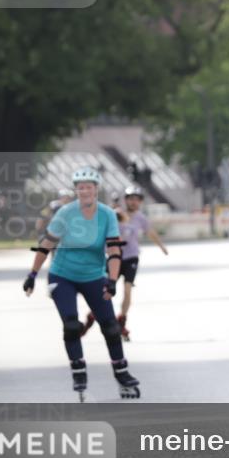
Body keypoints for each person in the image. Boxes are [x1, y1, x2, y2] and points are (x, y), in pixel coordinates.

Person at [22, 167, 140, 400]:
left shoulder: (107, 214)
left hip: (94, 276)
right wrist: (32, 275)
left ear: (96, 189)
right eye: (80, 187)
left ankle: (121, 372)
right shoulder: (65, 213)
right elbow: (47, 243)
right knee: (71, 325)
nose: (84, 191)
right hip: (62, 275)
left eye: (89, 187)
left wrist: (112, 280)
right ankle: (78, 370)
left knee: (110, 327)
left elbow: (114, 249)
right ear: (76, 190)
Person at [82, 185, 168, 341]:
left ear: (140, 202)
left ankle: (121, 321)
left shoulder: (141, 218)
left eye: (137, 199)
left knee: (128, 290)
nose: (133, 202)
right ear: (126, 200)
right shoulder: (115, 214)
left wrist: (161, 247)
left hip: (131, 258)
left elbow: (150, 232)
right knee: (105, 292)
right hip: (114, 258)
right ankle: (91, 317)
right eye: (130, 199)